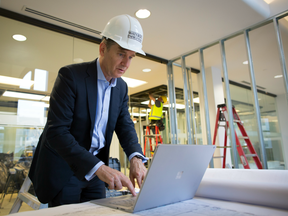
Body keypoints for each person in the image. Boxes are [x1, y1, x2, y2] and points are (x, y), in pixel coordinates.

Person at [28, 14, 147, 207]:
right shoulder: (70, 77)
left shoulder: (122, 88)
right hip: (66, 168)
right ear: (102, 48)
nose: (126, 63)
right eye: (121, 54)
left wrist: (135, 157)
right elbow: (57, 132)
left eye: (131, 57)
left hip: (95, 172)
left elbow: (125, 125)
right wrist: (99, 167)